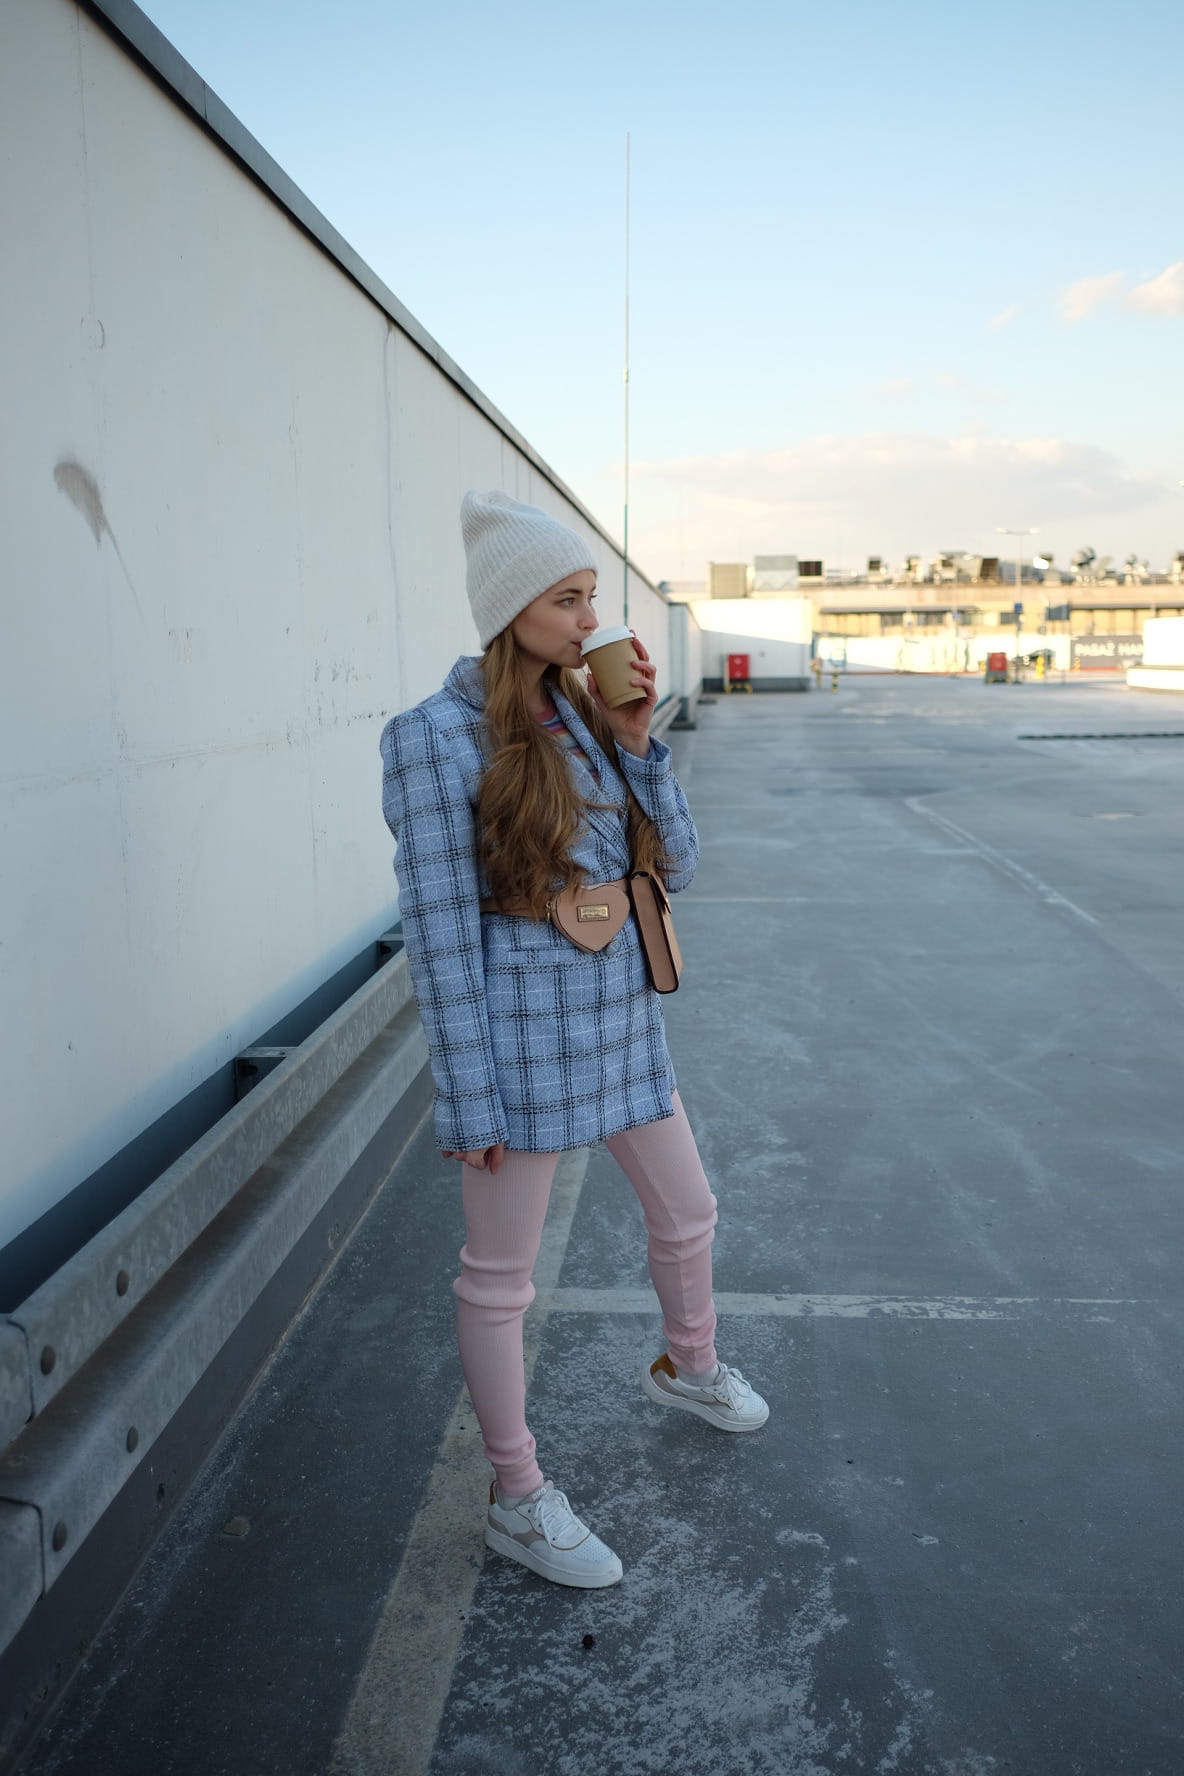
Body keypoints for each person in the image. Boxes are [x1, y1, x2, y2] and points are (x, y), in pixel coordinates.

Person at [380, 490, 768, 1590]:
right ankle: (517, 1494)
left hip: (621, 1022)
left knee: (688, 1212)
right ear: (511, 611)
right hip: (520, 1044)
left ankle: (688, 1365)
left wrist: (638, 745)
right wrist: (468, 1099)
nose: (590, 618)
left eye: (591, 595)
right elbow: (440, 934)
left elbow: (676, 865)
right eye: (566, 599)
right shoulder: (433, 737)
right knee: (499, 1281)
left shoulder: (592, 717)